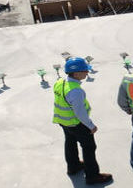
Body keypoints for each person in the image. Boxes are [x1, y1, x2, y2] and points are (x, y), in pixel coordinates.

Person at [53, 57, 113, 185]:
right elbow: (80, 112)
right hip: (77, 124)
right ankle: (92, 176)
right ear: (76, 73)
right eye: (85, 70)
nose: (87, 72)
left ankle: (73, 166)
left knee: (70, 142)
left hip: (63, 121)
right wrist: (91, 126)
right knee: (89, 147)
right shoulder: (76, 91)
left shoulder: (60, 82)